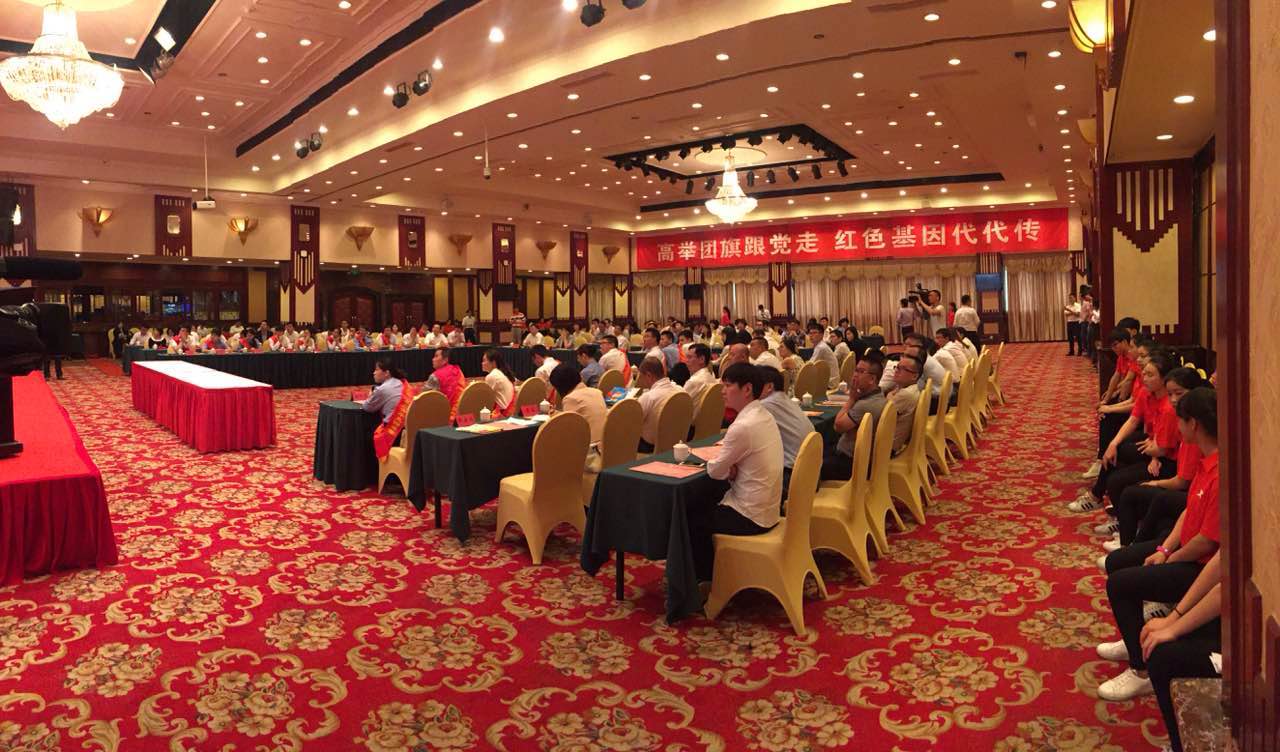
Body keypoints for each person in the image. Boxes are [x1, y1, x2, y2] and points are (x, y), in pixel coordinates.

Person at [1094, 387, 1219, 703]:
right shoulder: (1206, 459)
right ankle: (1134, 638)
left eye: (1181, 420)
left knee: (1120, 584)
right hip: (1185, 551)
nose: (1177, 425)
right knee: (1118, 563)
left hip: (1201, 567)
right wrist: (1164, 550)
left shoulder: (1221, 470)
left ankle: (1140, 671)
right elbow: (1189, 511)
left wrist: (1171, 557)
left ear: (1194, 424)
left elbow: (1207, 541)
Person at [692, 362, 784, 581]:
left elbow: (715, 472)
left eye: (728, 385)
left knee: (690, 518)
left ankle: (704, 581)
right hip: (769, 509)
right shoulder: (763, 415)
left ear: (747, 389)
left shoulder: (743, 425)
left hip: (750, 516)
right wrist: (730, 468)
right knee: (704, 500)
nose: (722, 391)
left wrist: (727, 467)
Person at [1110, 367, 1204, 546]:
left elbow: (1182, 480)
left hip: (1183, 480)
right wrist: (1155, 456)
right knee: (1121, 466)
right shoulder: (1173, 412)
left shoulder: (1190, 430)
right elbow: (1154, 436)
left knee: (1133, 490)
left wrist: (1156, 482)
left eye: (1179, 393)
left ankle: (1129, 545)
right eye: (1171, 394)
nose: (1174, 399)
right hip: (1171, 466)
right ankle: (1128, 535)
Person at [823, 352, 887, 480]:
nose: (855, 375)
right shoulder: (879, 396)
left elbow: (838, 426)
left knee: (807, 466)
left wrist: (851, 399)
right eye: (855, 370)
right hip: (855, 455)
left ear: (872, 379)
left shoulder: (866, 405)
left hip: (850, 462)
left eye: (860, 372)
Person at [756, 365, 816, 483]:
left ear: (769, 387)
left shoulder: (765, 405)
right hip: (811, 474)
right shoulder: (787, 400)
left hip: (792, 478)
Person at [362, 360, 416, 461]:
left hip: (394, 433)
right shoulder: (402, 382)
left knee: (365, 436)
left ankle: (373, 467)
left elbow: (367, 407)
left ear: (386, 373)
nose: (374, 373)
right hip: (409, 429)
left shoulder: (382, 389)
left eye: (376, 370)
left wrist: (371, 395)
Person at [635, 356, 680, 452]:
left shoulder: (649, 397)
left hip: (649, 446)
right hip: (676, 441)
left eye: (642, 377)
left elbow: (633, 425)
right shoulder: (680, 391)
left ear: (648, 375)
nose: (642, 381)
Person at [885, 353, 922, 453]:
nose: (897, 370)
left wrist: (889, 394)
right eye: (897, 367)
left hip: (887, 446)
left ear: (914, 376)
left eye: (903, 369)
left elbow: (883, 413)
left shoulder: (906, 394)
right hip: (890, 440)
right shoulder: (908, 387)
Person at [424, 347, 465, 413]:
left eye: (436, 356)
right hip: (463, 412)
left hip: (445, 415)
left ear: (445, 360)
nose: (433, 359)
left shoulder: (435, 376)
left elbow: (423, 398)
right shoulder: (458, 370)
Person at [482, 348, 516, 415]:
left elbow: (485, 399)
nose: (482, 363)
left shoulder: (493, 376)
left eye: (484, 360)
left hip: (502, 414)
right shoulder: (501, 373)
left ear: (493, 362)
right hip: (509, 410)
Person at [807, 323, 840, 389]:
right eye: (810, 333)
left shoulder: (821, 347)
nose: (811, 335)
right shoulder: (821, 345)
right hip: (831, 379)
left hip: (830, 383)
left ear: (822, 335)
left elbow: (809, 366)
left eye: (814, 333)